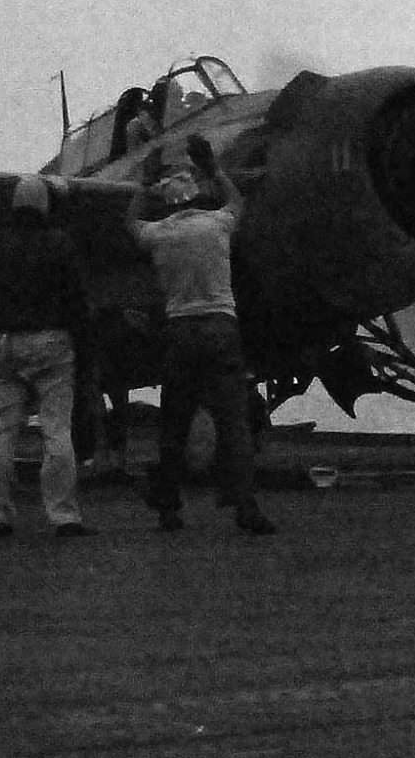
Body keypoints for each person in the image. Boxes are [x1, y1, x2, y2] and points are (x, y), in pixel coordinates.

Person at [124, 133, 276, 536]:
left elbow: (131, 222)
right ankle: (245, 506)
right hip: (222, 329)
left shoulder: (159, 235)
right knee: (234, 422)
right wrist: (214, 169)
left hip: (180, 331)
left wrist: (144, 182)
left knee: (175, 422)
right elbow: (238, 203)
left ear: (168, 202)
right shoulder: (217, 225)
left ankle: (168, 508)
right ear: (196, 196)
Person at [0, 174, 93, 538]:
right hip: (53, 343)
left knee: (4, 431)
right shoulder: (60, 242)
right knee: (57, 430)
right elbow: (78, 300)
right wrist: (85, 352)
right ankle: (64, 515)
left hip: (5, 343)